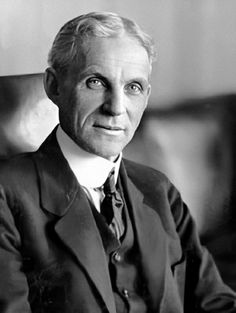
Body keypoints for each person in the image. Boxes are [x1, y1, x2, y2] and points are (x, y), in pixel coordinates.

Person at [0, 11, 235, 313]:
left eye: (133, 88)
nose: (116, 108)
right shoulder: (7, 193)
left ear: (146, 96)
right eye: (96, 82)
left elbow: (215, 302)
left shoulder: (158, 190)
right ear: (54, 86)